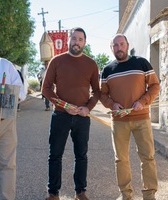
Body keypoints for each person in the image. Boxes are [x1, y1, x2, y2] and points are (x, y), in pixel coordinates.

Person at [42, 27, 100, 200]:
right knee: (55, 155)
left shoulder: (91, 64)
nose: (77, 42)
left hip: (82, 117)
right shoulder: (57, 61)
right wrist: (63, 105)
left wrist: (88, 108)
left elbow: (97, 92)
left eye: (80, 39)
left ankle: (80, 191)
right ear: (69, 40)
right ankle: (53, 193)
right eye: (74, 38)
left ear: (85, 42)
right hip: (60, 115)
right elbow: (45, 88)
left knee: (81, 155)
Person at [100, 34, 160, 200]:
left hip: (142, 119)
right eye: (115, 45)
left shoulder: (141, 63)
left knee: (147, 157)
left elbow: (155, 86)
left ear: (127, 45)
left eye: (121, 44)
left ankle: (149, 195)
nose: (119, 47)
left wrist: (143, 101)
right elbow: (102, 95)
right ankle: (125, 195)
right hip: (119, 121)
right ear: (111, 48)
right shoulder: (107, 70)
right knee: (121, 159)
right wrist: (112, 105)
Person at [0, 57, 26, 200]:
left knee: (8, 165)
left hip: (6, 120)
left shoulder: (5, 65)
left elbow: (21, 94)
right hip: (6, 118)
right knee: (7, 166)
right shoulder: (5, 64)